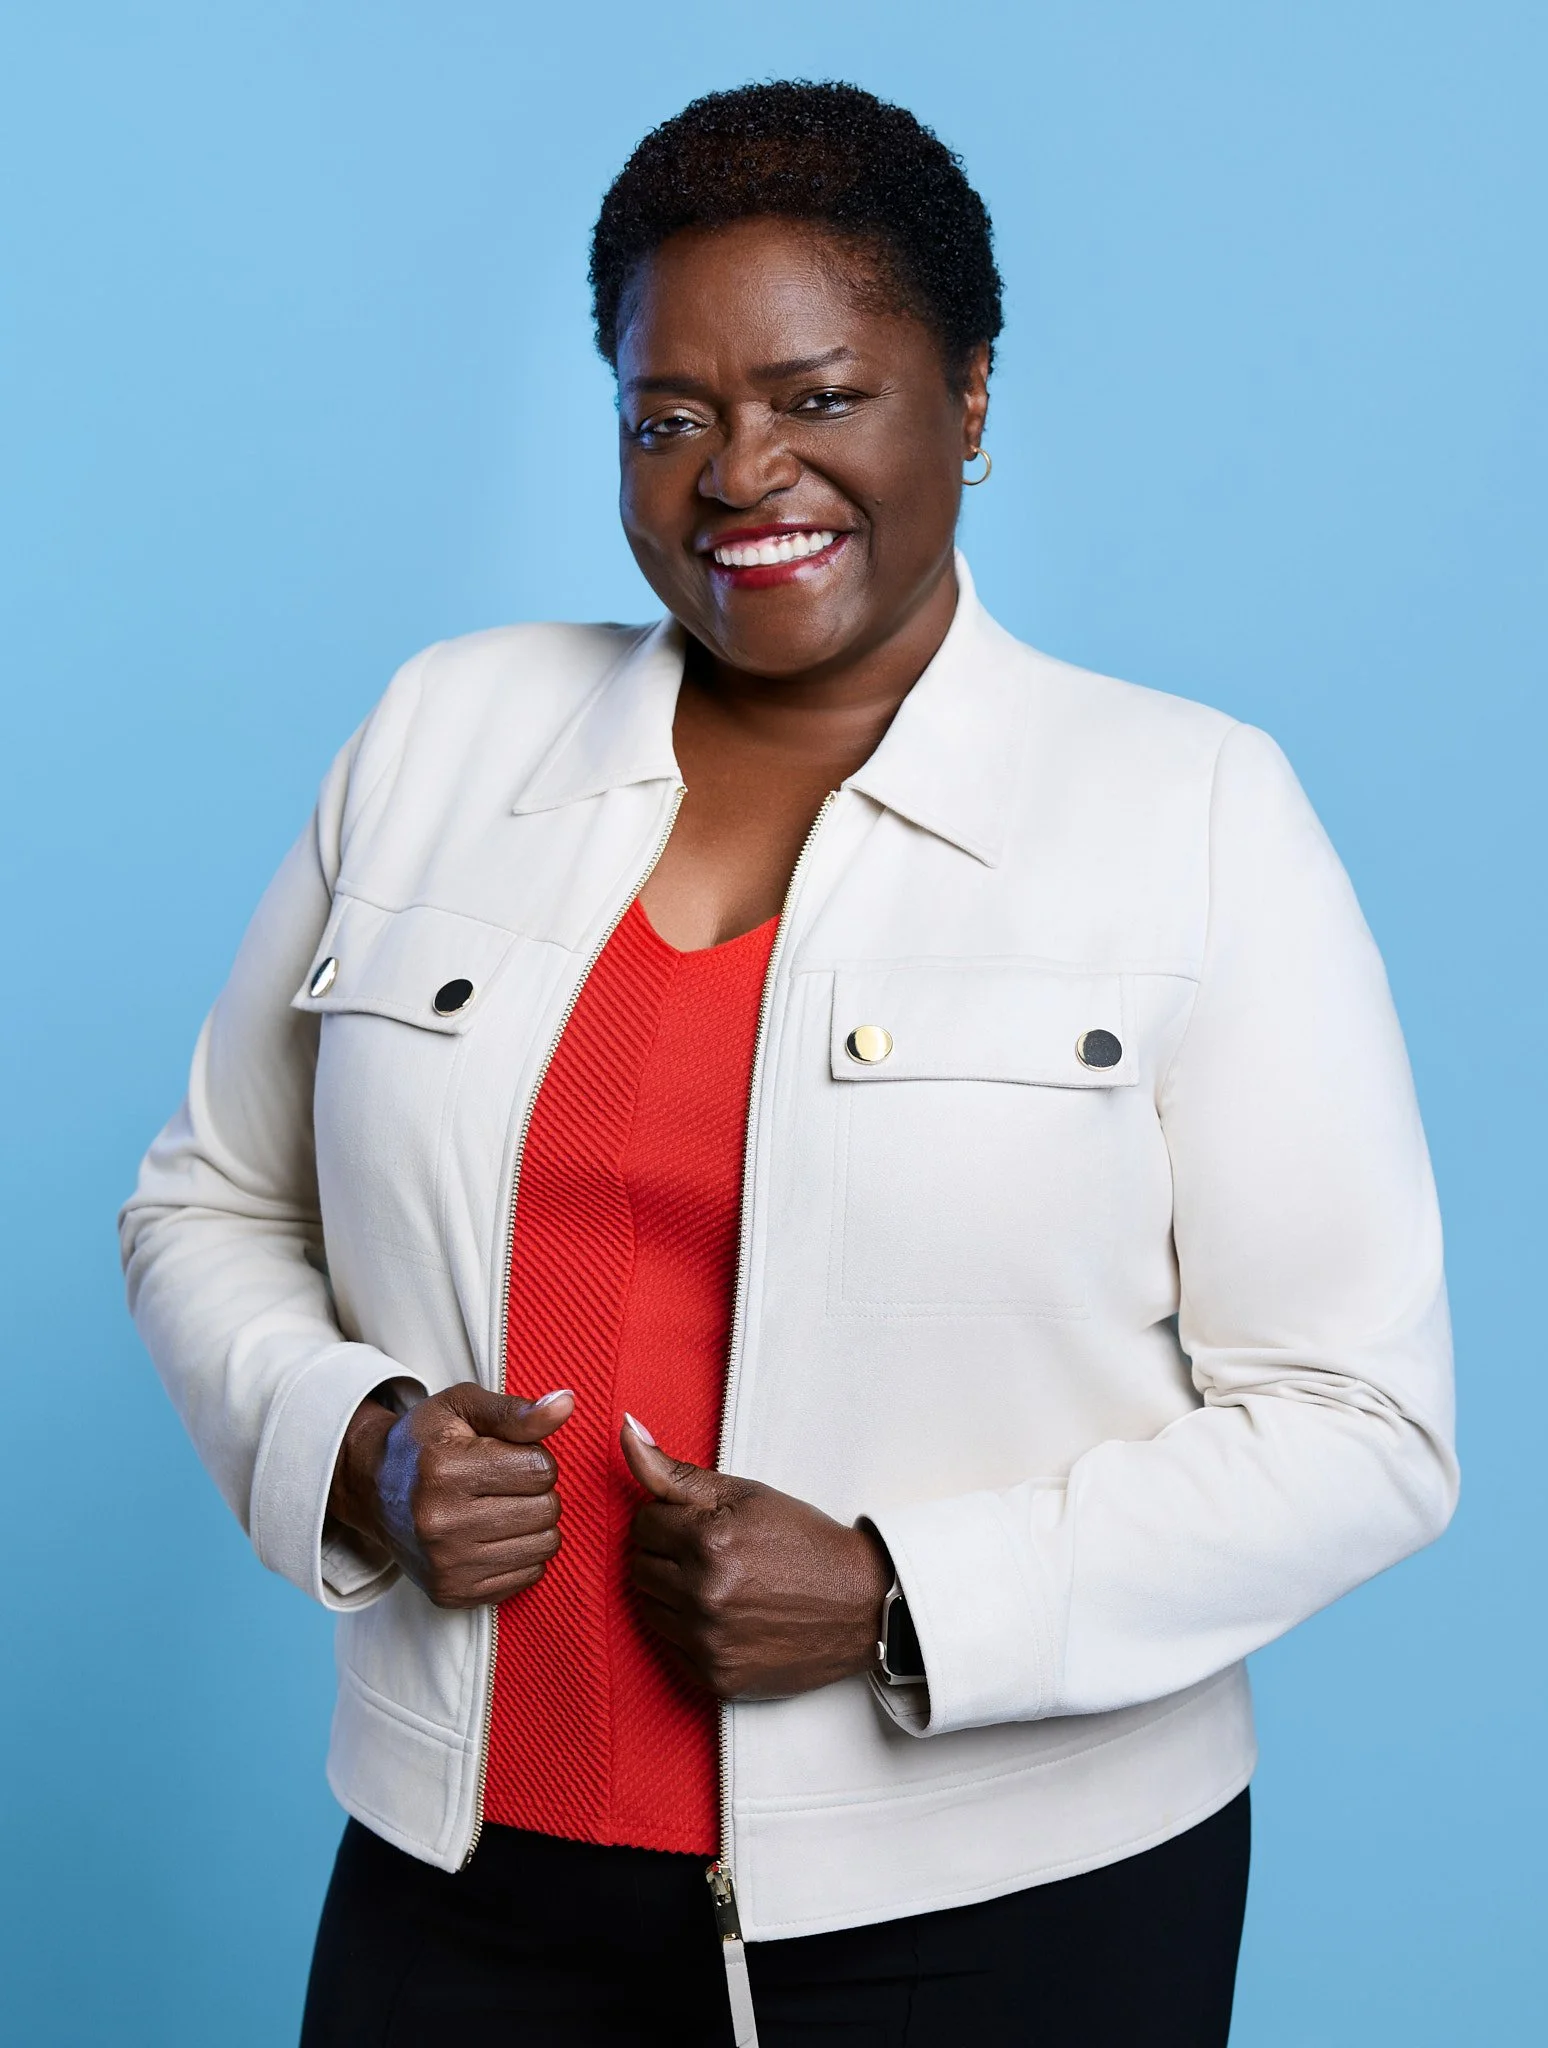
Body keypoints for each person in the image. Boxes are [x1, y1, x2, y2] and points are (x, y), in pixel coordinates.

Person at [121, 81, 1457, 2048]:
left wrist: (903, 1592)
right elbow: (207, 1199)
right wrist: (362, 1443)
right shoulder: (439, 739)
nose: (743, 474)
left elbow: (1364, 1423)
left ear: (972, 401)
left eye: (820, 397)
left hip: (1002, 1910)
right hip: (459, 1876)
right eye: (669, 418)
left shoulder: (1189, 815)